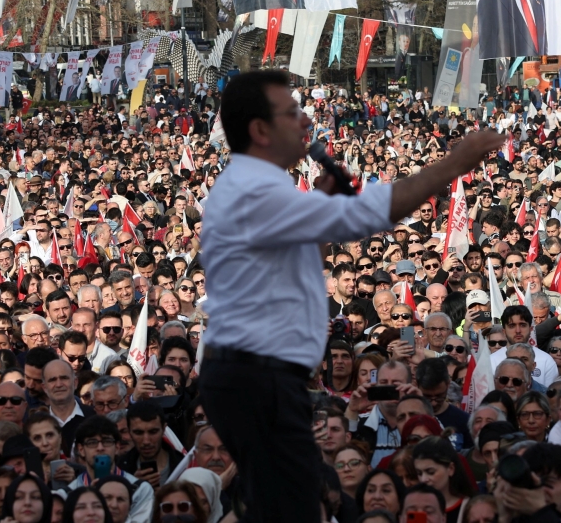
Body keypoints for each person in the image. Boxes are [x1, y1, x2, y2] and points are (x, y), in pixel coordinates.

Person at [198, 70, 502, 522]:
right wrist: (454, 164)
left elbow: (301, 258)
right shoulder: (254, 188)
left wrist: (320, 202)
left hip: (256, 376)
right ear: (260, 130)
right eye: (290, 113)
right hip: (257, 378)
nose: (305, 122)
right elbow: (368, 214)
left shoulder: (261, 185)